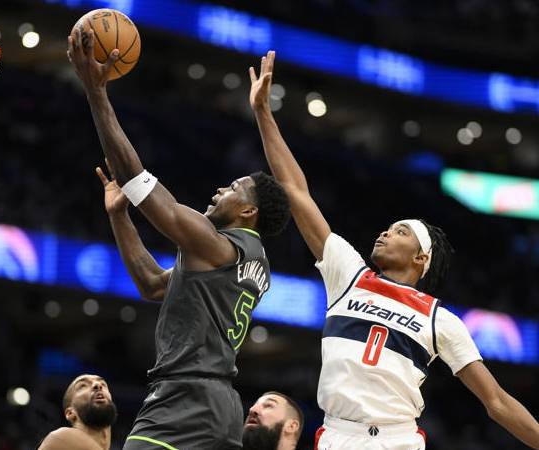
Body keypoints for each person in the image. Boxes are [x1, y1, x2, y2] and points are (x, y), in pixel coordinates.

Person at [249, 50, 539, 450]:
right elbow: (296, 190)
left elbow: (497, 402)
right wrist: (264, 113)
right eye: (388, 228)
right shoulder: (348, 273)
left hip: (395, 440)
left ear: (421, 258)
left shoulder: (442, 320)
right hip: (335, 435)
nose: (385, 234)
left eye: (400, 232)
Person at [69, 29, 291, 450]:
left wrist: (96, 92)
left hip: (186, 400)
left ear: (249, 212)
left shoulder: (217, 244)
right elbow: (153, 284)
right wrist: (120, 218)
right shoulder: (246, 260)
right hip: (217, 403)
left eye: (232, 188)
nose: (218, 191)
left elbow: (141, 184)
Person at [38, 374, 117, 450]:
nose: (97, 385)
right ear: (70, 413)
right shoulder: (60, 438)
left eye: (103, 384)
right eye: (83, 386)